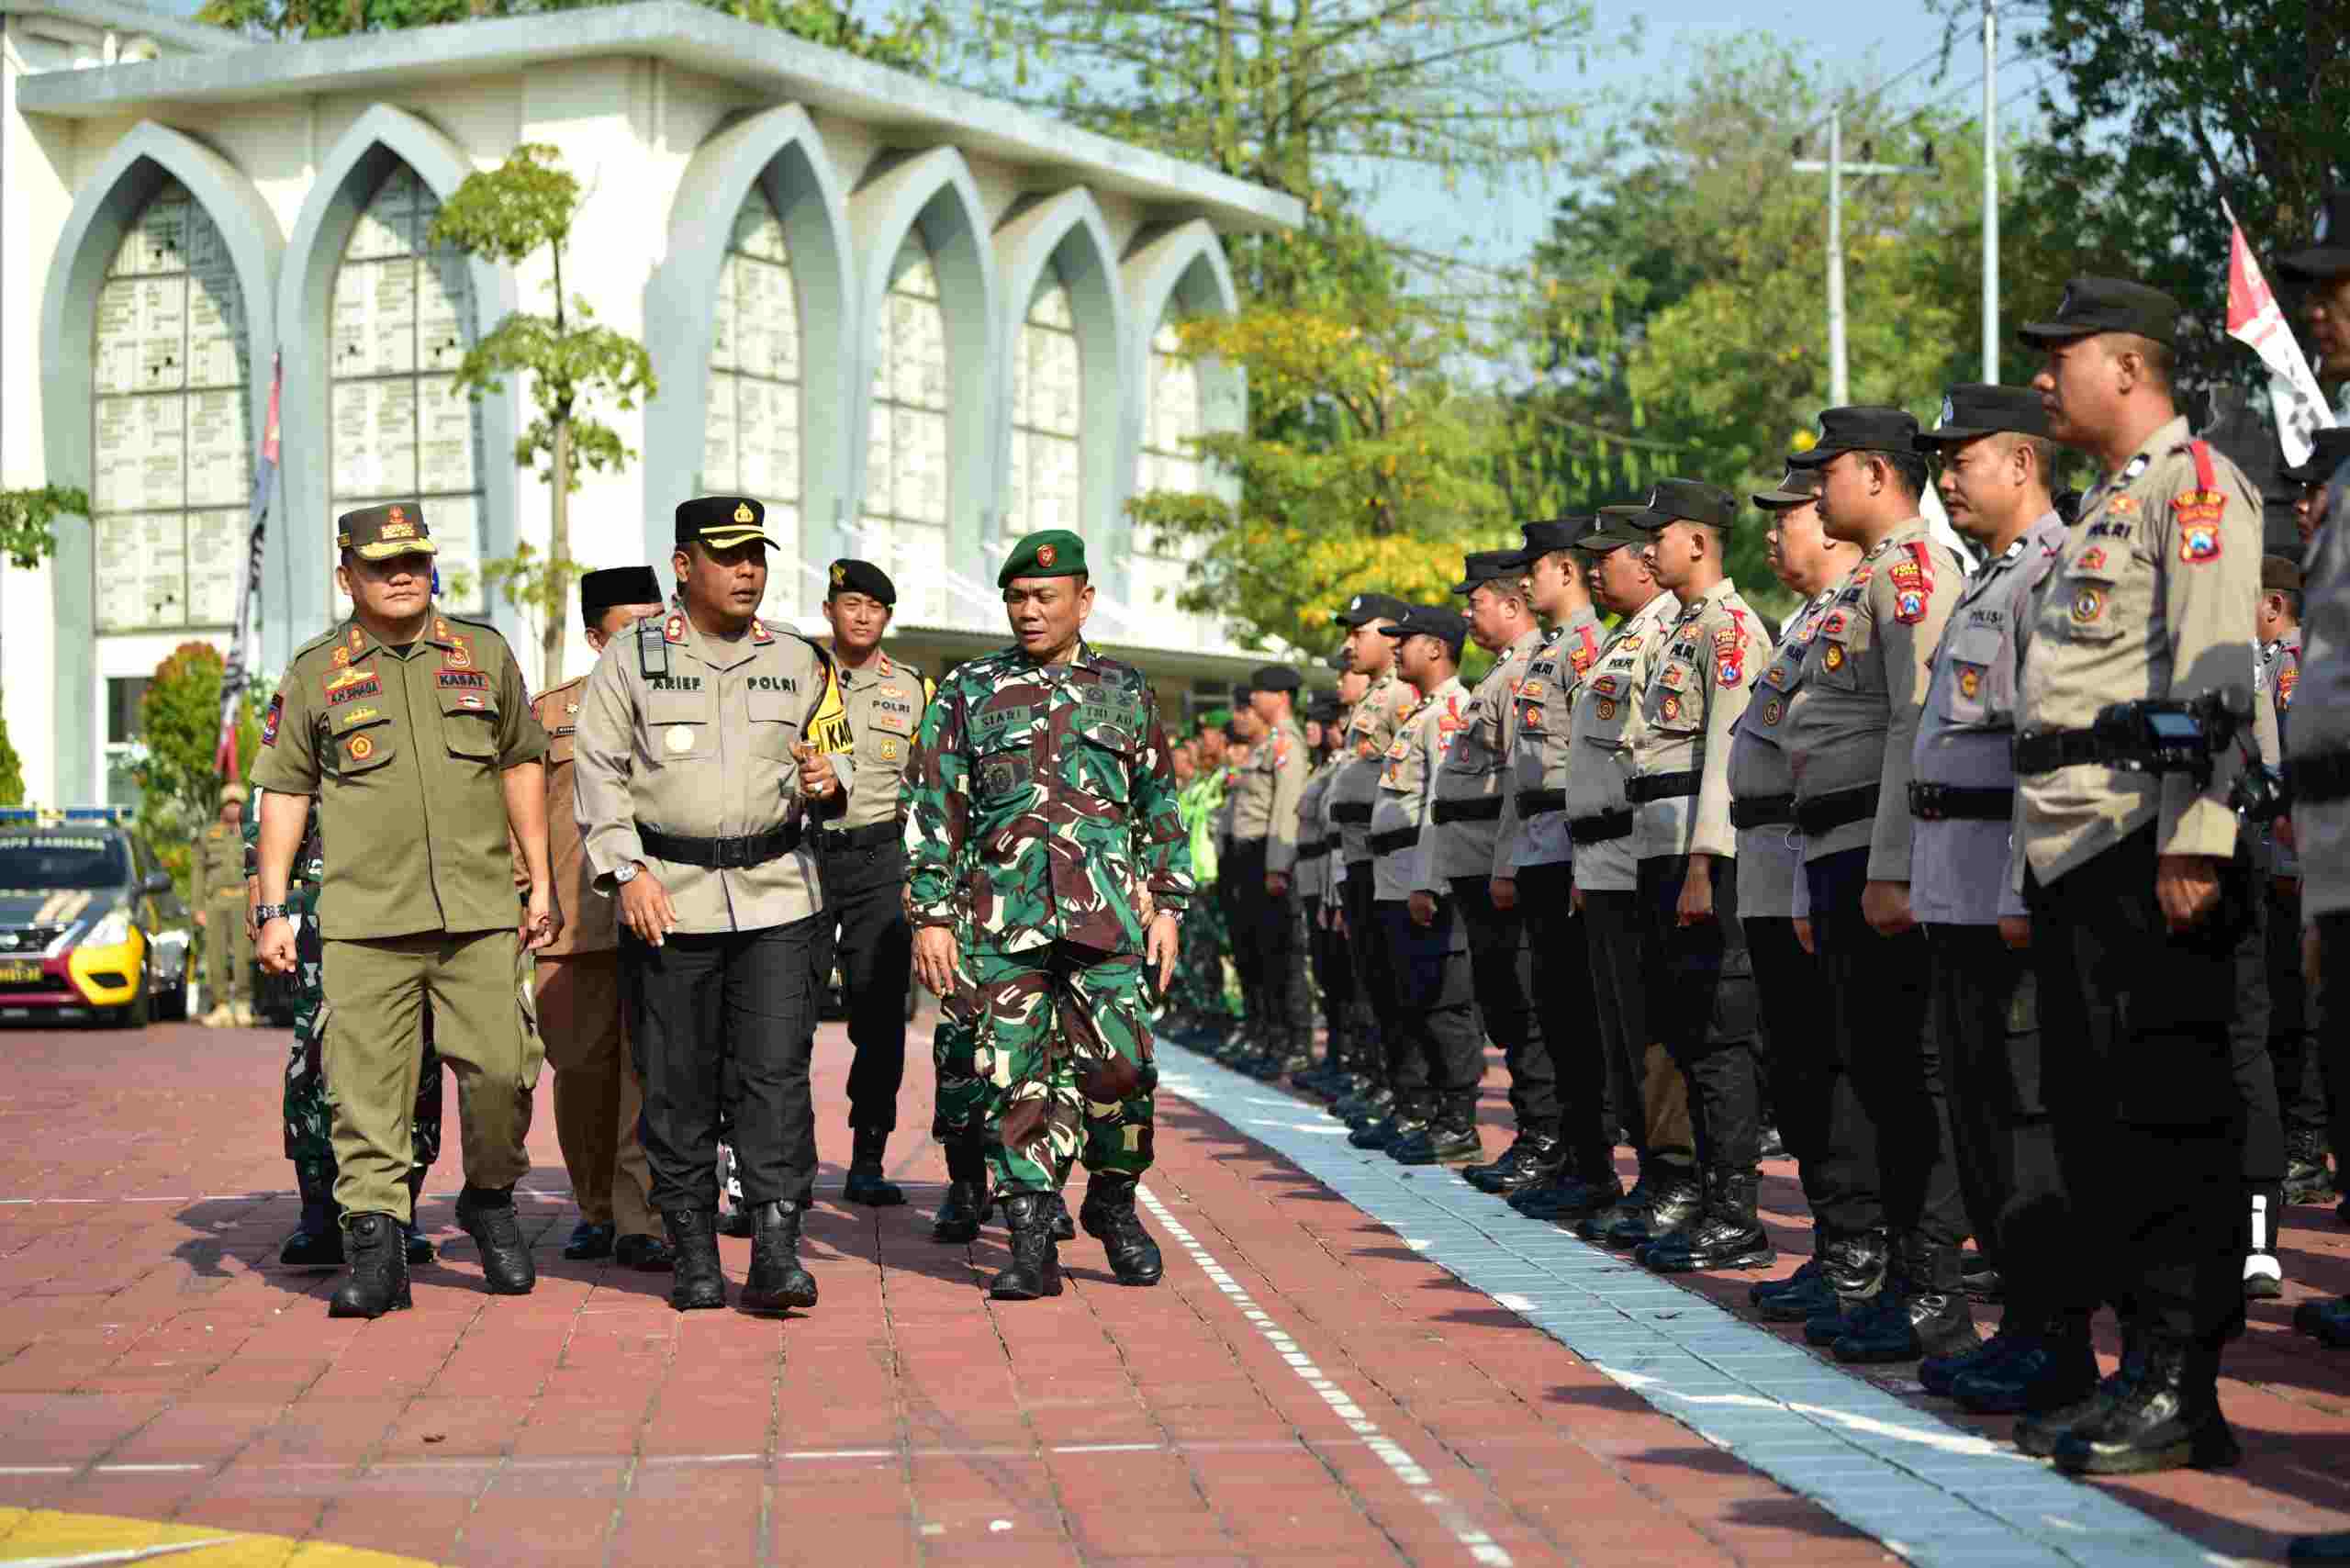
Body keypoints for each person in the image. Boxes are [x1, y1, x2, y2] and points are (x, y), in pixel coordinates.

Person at [2008, 276, 2263, 1473]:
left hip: (2143, 844)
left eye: (2059, 357)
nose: (2044, 379)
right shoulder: (2107, 503)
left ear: (2126, 366)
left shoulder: (2195, 489)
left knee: (2168, 1122)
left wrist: (2196, 838)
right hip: (2073, 842)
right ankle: (2136, 1371)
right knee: (2098, 1123)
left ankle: (2180, 1381)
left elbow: (2215, 688)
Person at [252, 500, 557, 1319]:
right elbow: (284, 789)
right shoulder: (316, 671)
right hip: (364, 925)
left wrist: (545, 877)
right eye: (382, 565)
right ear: (346, 575)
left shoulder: (484, 655)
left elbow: (522, 765)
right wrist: (272, 907)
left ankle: (490, 1198)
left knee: (502, 1072)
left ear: (432, 567)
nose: (400, 576)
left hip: (480, 916)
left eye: (413, 561)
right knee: (365, 1095)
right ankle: (376, 1251)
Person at [571, 497, 848, 1316]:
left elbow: (841, 769)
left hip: (778, 898)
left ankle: (774, 1252)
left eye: (756, 555)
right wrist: (627, 873)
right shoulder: (633, 656)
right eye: (727, 556)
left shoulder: (800, 661)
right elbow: (599, 772)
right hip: (671, 897)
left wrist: (830, 784)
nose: (748, 570)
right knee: (676, 1081)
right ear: (684, 566)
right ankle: (691, 1246)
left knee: (774, 1079)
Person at [903, 529, 1192, 1300]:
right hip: (1004, 925)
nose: (1027, 611)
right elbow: (934, 806)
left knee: (1123, 1071)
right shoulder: (969, 691)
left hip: (1106, 925)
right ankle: (1031, 1238)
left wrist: (1167, 903)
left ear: (1083, 600)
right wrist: (931, 915)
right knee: (1016, 1080)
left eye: (1044, 597)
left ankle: (1111, 1202)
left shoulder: (1126, 691)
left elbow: (1158, 801)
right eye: (1016, 598)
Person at [1778, 406, 1972, 1367]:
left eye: (1828, 472)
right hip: (1837, 849)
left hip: (1878, 852)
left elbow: (1917, 721)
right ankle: (1900, 1274)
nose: (1816, 491)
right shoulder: (1861, 580)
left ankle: (1931, 1284)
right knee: (1877, 1072)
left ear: (1874, 473)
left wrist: (1893, 862)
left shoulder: (1912, 571)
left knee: (1908, 1076)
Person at [1901, 386, 2081, 1413]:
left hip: (2002, 898)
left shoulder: (2049, 574)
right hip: (1953, 893)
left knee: (2022, 1123)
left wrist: (2020, 882)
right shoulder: (1985, 582)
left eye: (1961, 457)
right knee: (1975, 1120)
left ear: (2020, 462)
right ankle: (2017, 1321)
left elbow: (2042, 751)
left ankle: (2051, 1337)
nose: (1947, 477)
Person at [1618, 480, 1769, 1275]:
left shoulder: (1732, 630)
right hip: (1658, 848)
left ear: (1701, 543)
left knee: (1718, 1038)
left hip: (1696, 857)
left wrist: (1706, 863)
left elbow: (1726, 757)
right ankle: (1703, 1200)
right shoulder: (1680, 632)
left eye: (1661, 535)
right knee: (1678, 1032)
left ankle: (1735, 1213)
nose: (1649, 550)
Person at [1730, 468, 1860, 1325]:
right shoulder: (1805, 625)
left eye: (1790, 521)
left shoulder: (1872, 599)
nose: (1774, 538)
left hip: (1829, 851)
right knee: (1803, 1069)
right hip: (1783, 857)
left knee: (1843, 1067)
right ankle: (1836, 1240)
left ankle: (1860, 1250)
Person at [528, 566, 671, 1271]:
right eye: (628, 627)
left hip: (664, 920)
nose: (647, 638)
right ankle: (591, 1208)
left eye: (656, 620)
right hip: (574, 925)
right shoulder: (548, 714)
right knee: (583, 1075)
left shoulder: (688, 699)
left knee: (647, 1074)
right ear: (593, 637)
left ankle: (637, 1214)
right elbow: (516, 815)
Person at [1564, 510, 1695, 1248]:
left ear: (1645, 565)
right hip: (1605, 861)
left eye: (1604, 556)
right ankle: (1650, 1171)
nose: (1593, 570)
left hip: (1641, 852)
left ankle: (1674, 1175)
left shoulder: (1666, 633)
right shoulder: (1623, 638)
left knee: (1652, 1031)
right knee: (1621, 1031)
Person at [248, 787, 445, 1270]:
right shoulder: (299, 706)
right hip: (320, 891)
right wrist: (259, 884)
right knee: (316, 1050)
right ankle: (318, 1210)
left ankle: (401, 1210)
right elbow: (274, 787)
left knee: (415, 1053)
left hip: (414, 884)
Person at [1497, 517, 1616, 1222]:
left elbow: (1592, 759)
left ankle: (1593, 1162)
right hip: (1540, 843)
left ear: (1565, 572)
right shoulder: (1545, 651)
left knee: (1576, 1015)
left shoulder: (1588, 647)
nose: (1524, 581)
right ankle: (1574, 1156)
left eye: (1534, 568)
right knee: (1551, 1010)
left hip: (1571, 843)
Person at [809, 558, 931, 1207]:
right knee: (781, 1012)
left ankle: (868, 1155)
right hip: (797, 857)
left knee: (879, 1013)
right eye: (849, 603)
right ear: (828, 608)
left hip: (877, 863)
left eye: (874, 607)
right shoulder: (796, 675)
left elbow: (935, 784)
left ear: (887, 617)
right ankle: (777, 1157)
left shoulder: (913, 690)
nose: (861, 616)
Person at [1429, 551, 1551, 1190]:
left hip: (1500, 862)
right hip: (1478, 862)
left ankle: (1542, 1137)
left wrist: (1504, 864)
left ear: (1510, 604)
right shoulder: (1501, 673)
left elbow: (1516, 782)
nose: (1467, 615)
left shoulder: (1529, 668)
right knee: (1506, 1004)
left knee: (1524, 1005)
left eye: (1475, 603)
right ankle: (1539, 1136)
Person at [1357, 605, 1480, 1164]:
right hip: (1392, 874)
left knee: (1441, 1001)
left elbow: (1439, 804)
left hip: (1420, 875)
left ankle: (1457, 1118)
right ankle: (1421, 1105)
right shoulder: (1420, 712)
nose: (1397, 648)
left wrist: (1429, 881)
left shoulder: (1451, 710)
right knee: (1406, 997)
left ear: (1436, 648)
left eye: (1406, 640)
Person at [1327, 595, 1419, 1131]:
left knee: (1391, 981)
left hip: (1388, 856)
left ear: (1388, 636)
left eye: (1357, 633)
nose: (1348, 644)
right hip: (1360, 855)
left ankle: (1406, 1092)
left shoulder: (1403, 695)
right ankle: (1388, 1086)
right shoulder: (1376, 696)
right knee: (1373, 981)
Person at [1229, 665, 1310, 1079]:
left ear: (1280, 697)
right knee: (1259, 952)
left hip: (1269, 856)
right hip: (1251, 857)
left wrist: (1278, 866)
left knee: (1281, 955)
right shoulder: (1269, 744)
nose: (1252, 700)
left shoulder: (1286, 745)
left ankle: (1293, 1044)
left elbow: (1287, 806)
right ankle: (1270, 1037)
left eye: (1260, 693)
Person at [192, 787, 254, 1027]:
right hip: (215, 901)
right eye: (229, 803)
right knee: (215, 955)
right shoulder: (208, 834)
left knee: (243, 954)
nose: (233, 808)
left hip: (243, 900)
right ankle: (220, 1006)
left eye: (238, 804)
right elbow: (198, 871)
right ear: (222, 806)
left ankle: (242, 1004)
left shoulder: (251, 833)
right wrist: (197, 907)